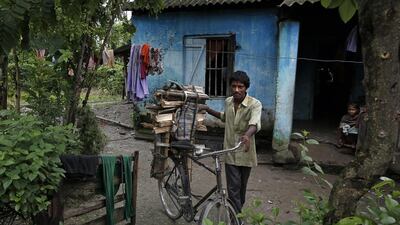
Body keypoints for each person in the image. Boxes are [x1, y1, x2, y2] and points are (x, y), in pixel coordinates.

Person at [202, 70, 262, 212]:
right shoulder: (228, 102)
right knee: (233, 187)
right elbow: (224, 117)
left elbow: (255, 123)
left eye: (240, 87)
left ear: (246, 88)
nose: (236, 90)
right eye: (234, 86)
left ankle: (237, 213)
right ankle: (236, 218)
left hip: (245, 151)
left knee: (241, 187)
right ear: (230, 87)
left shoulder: (255, 104)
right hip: (230, 151)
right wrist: (208, 109)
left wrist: (247, 135)